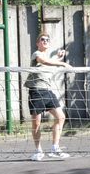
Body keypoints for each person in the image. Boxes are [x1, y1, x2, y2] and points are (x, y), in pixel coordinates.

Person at [26, 33, 71, 161]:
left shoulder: (49, 58)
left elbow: (50, 61)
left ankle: (55, 148)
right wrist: (62, 64)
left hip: (48, 91)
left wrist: (58, 58)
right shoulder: (36, 54)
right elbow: (44, 61)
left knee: (61, 117)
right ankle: (38, 151)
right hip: (36, 91)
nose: (45, 41)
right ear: (38, 43)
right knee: (36, 123)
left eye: (47, 40)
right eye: (42, 39)